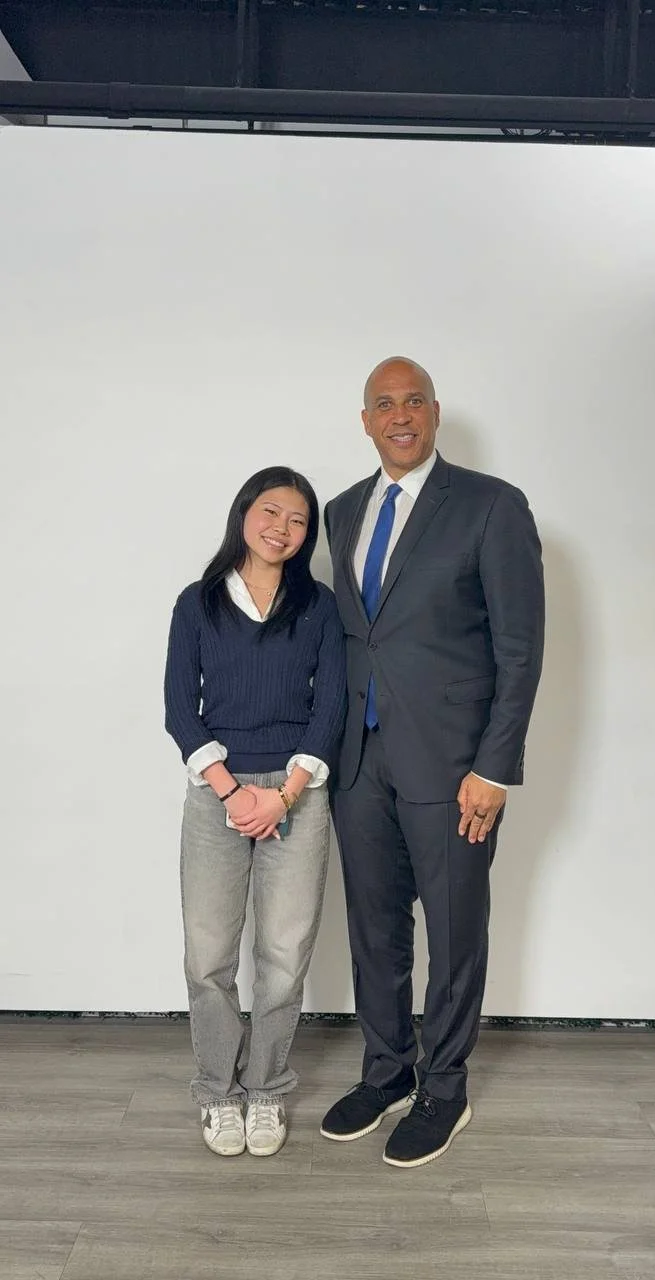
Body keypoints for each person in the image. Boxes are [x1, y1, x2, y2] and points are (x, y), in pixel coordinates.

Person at [320, 358, 545, 1168]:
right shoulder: (342, 511)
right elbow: (361, 636)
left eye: (413, 400)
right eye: (384, 403)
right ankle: (387, 1072)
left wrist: (495, 767)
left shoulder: (491, 505)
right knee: (374, 929)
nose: (400, 415)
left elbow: (520, 649)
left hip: (454, 768)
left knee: (453, 932)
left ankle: (444, 1089)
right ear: (366, 421)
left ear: (436, 412)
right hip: (359, 761)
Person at [164, 467, 346, 1159]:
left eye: (298, 521)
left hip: (298, 792)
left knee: (284, 956)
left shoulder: (318, 606)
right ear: (244, 513)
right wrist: (233, 792)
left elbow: (330, 707)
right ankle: (217, 1091)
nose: (282, 528)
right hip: (218, 795)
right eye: (271, 512)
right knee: (208, 956)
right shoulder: (197, 603)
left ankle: (265, 1089)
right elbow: (180, 709)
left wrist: (284, 795)